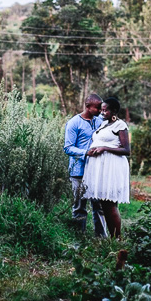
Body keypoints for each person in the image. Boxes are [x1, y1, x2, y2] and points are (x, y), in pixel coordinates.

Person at [81, 97, 130, 238]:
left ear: (114, 110)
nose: (103, 112)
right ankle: (113, 237)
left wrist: (104, 148)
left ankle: (117, 238)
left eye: (105, 110)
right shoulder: (104, 124)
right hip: (101, 167)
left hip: (112, 166)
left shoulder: (120, 125)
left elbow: (126, 150)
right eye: (102, 109)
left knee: (109, 203)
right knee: (104, 203)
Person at [64, 93, 106, 237]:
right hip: (78, 171)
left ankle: (101, 238)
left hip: (96, 171)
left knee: (99, 206)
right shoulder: (73, 123)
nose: (100, 111)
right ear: (88, 107)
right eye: (97, 108)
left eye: (101, 108)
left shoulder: (100, 121)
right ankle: (78, 238)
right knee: (79, 207)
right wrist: (85, 152)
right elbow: (68, 148)